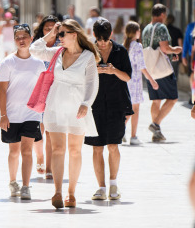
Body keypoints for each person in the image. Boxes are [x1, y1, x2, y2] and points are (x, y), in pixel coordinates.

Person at [30, 19, 100, 208]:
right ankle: (58, 192)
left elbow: (92, 83)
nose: (59, 37)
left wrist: (86, 103)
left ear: (74, 34)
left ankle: (71, 193)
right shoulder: (57, 52)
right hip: (56, 104)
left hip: (77, 106)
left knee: (75, 151)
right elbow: (34, 49)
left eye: (62, 34)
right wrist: (51, 33)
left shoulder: (87, 57)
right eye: (58, 34)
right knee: (58, 149)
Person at [84, 18, 133, 202]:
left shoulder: (121, 51)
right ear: (94, 36)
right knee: (97, 147)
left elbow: (128, 77)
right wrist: (94, 71)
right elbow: (82, 77)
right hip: (94, 104)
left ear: (111, 35)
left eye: (105, 39)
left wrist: (113, 71)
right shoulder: (89, 52)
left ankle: (113, 184)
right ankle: (101, 187)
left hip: (117, 104)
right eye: (99, 39)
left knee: (113, 145)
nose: (102, 43)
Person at [0, 24, 45, 200]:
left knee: (26, 150)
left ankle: (25, 186)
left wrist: (41, 114)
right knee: (14, 151)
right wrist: (3, 115)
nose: (21, 40)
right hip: (11, 114)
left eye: (25, 36)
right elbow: (2, 90)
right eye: (18, 37)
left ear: (31, 39)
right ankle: (12, 181)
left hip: (31, 114)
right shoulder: (7, 62)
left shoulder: (39, 64)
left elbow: (42, 89)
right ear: (14, 40)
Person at [141, 4, 182, 142]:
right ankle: (156, 124)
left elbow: (153, 49)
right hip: (162, 71)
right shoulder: (161, 27)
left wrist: (170, 55)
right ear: (163, 14)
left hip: (150, 69)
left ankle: (156, 133)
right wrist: (175, 50)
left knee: (156, 100)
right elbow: (164, 48)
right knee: (173, 98)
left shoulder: (146, 28)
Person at [32, 15, 60, 179]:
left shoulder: (62, 46)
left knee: (50, 131)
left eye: (53, 28)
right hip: (38, 91)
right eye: (47, 28)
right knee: (38, 129)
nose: (50, 31)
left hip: (56, 92)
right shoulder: (37, 46)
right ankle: (40, 156)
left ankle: (49, 167)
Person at [123, 21, 159, 145]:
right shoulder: (137, 46)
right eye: (139, 30)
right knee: (135, 109)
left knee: (128, 109)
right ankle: (133, 136)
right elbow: (141, 66)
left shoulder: (125, 46)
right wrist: (152, 80)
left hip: (126, 81)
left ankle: (121, 131)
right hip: (135, 81)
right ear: (135, 32)